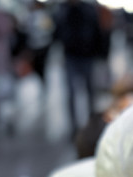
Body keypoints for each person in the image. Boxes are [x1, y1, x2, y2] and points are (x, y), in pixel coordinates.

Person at [53, 0, 101, 137]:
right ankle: (74, 127)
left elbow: (96, 30)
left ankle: (92, 124)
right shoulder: (62, 10)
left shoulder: (88, 9)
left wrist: (99, 52)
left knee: (90, 91)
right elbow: (57, 31)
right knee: (71, 93)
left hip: (87, 55)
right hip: (71, 56)